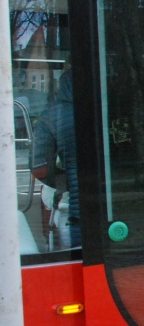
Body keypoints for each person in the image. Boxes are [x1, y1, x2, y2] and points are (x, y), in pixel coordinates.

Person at [30, 71, 79, 247]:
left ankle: (51, 242)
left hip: (77, 205)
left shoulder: (51, 116)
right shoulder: (106, 107)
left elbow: (39, 167)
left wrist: (68, 182)